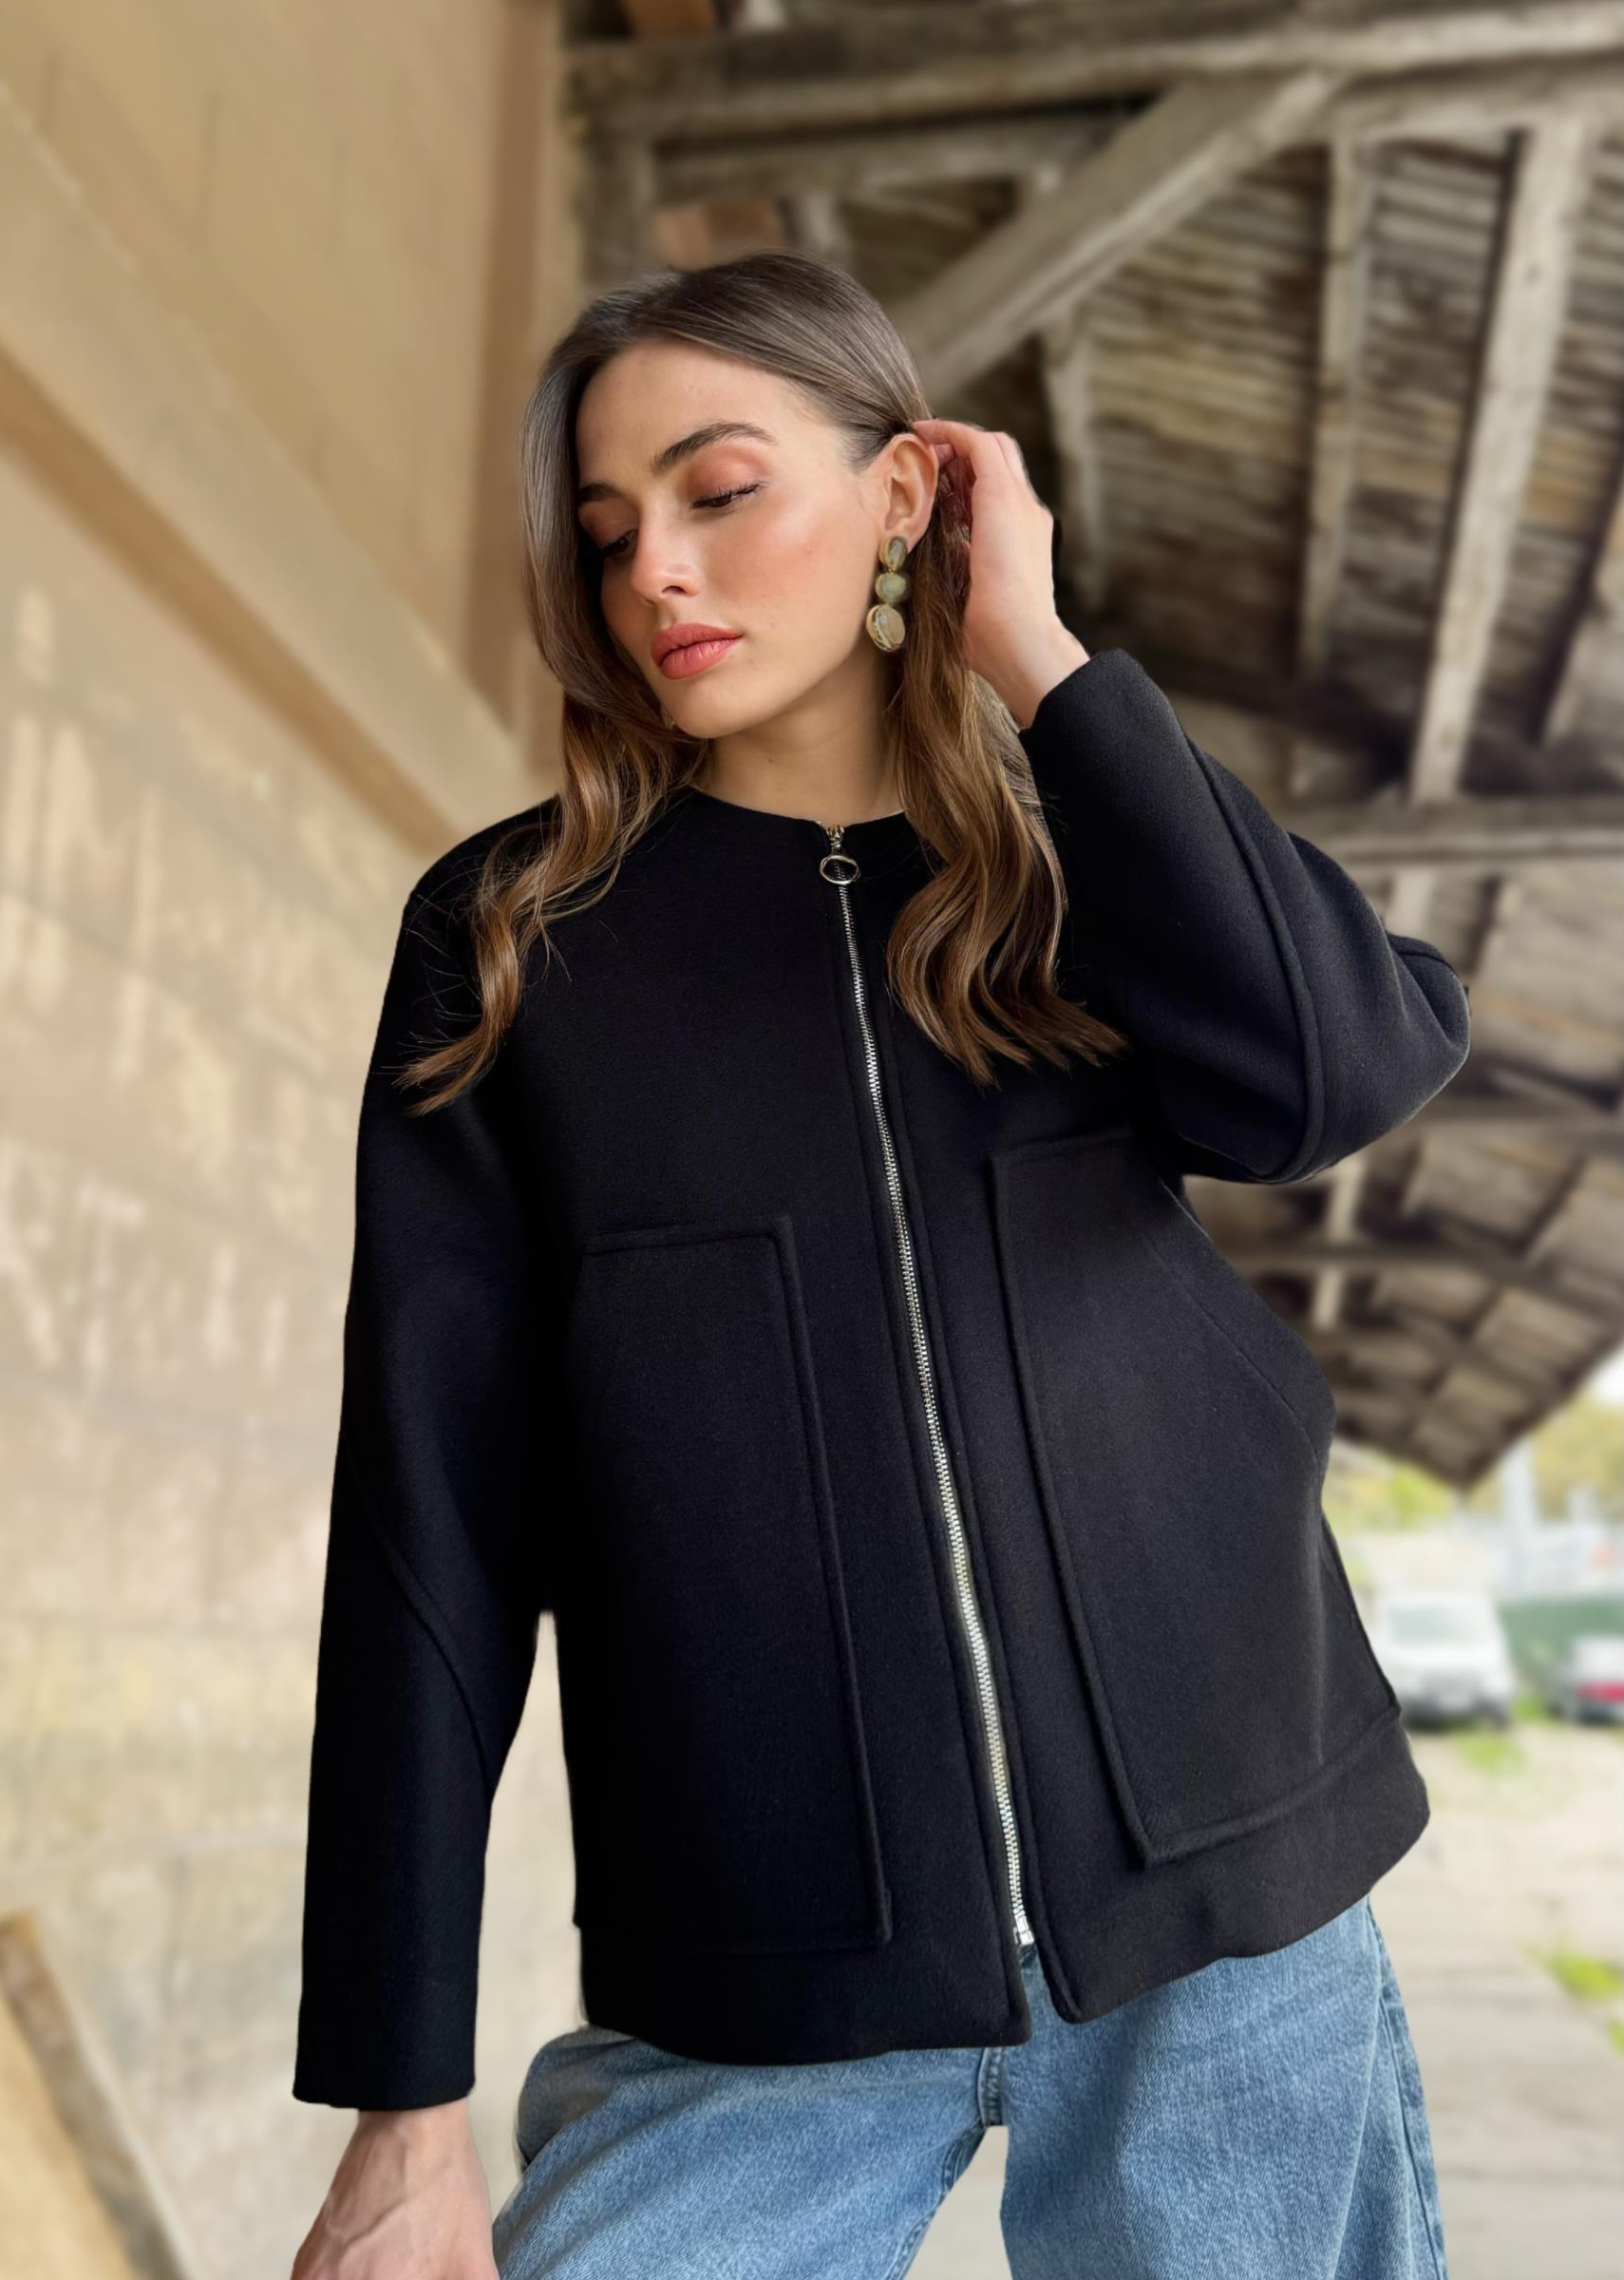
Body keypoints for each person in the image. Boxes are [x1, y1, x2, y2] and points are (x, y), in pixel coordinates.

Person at [289, 250, 1463, 2279]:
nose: (657, 569)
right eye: (609, 528)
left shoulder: (1085, 865)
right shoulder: (512, 944)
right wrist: (403, 2111)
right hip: (759, 1984)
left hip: (1229, 1922)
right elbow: (431, 1516)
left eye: (721, 488)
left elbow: (1332, 1076)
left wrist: (1047, 662)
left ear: (905, 494)